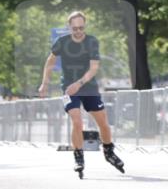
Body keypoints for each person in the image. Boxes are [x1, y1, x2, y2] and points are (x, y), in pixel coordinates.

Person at [38, 11, 125, 178]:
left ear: (85, 26)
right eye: (75, 28)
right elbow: (49, 63)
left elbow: (94, 68)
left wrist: (79, 83)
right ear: (69, 27)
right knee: (77, 122)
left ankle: (108, 151)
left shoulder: (92, 41)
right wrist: (45, 83)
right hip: (69, 89)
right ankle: (79, 156)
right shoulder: (61, 42)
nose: (78, 31)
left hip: (88, 87)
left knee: (104, 124)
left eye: (81, 28)